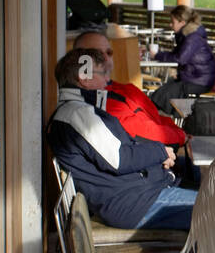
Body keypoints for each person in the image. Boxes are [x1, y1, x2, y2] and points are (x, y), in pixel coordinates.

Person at [48, 49, 197, 230]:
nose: (106, 80)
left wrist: (159, 156)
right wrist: (160, 151)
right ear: (84, 78)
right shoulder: (77, 114)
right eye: (102, 73)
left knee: (211, 191)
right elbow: (119, 159)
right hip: (135, 203)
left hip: (136, 195)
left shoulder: (75, 110)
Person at [74, 28, 190, 150]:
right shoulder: (98, 100)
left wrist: (180, 133)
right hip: (150, 157)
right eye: (96, 54)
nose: (106, 59)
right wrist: (180, 136)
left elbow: (156, 118)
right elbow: (144, 133)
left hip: (163, 150)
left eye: (108, 52)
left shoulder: (125, 89)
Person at [149, 5, 215, 105]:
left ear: (182, 23)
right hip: (195, 78)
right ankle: (164, 115)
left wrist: (156, 56)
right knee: (164, 91)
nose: (170, 25)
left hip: (200, 81)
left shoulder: (192, 38)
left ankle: (163, 115)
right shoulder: (187, 35)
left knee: (163, 94)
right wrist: (158, 55)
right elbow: (176, 55)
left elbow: (180, 58)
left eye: (172, 22)